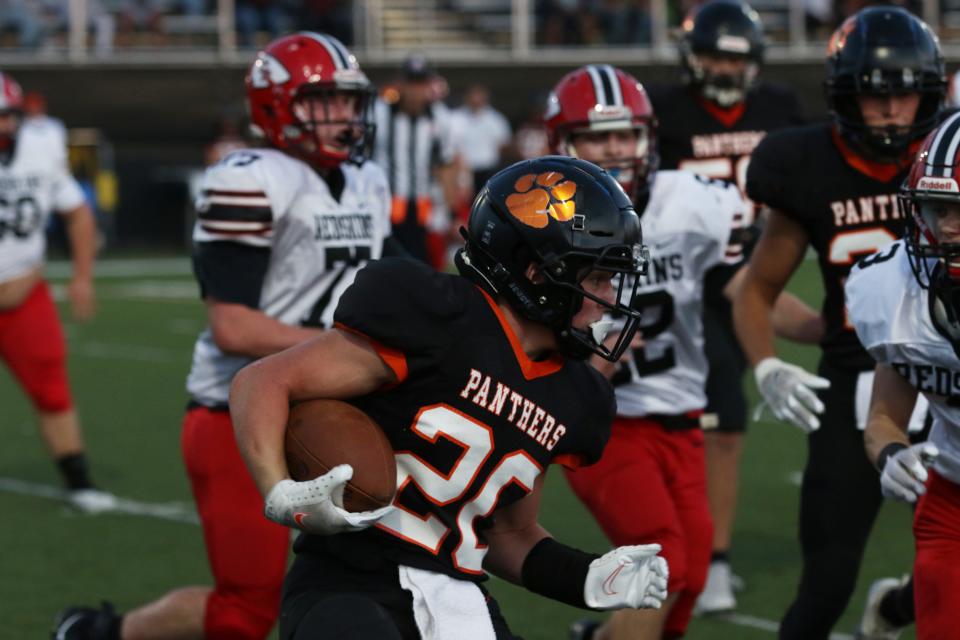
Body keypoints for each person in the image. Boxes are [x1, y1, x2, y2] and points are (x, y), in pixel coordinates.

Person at [229, 155, 670, 639]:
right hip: (349, 583)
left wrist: (586, 577)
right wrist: (280, 492)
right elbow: (264, 382)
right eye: (597, 279)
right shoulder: (436, 316)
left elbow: (509, 534)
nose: (611, 298)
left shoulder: (575, 395)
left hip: (459, 598)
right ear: (539, 274)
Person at [53, 32, 392, 640]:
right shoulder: (248, 178)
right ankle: (101, 634)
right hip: (241, 411)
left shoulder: (369, 180)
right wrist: (347, 353)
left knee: (389, 581)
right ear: (276, 107)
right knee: (246, 608)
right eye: (325, 102)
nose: (344, 116)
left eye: (349, 101)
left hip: (338, 403)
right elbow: (233, 325)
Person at [545, 65, 821, 640]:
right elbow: (516, 339)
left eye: (625, 134)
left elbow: (747, 289)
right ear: (563, 144)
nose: (614, 148)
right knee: (662, 565)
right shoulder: (543, 221)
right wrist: (590, 350)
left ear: (649, 137)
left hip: (683, 417)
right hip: (606, 422)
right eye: (597, 136)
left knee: (691, 577)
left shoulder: (693, 201)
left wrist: (826, 329)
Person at [733, 7, 946, 638]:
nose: (889, 111)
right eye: (871, 95)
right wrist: (767, 363)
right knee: (825, 585)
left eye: (904, 94)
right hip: (860, 377)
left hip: (951, 375)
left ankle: (898, 607)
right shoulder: (804, 163)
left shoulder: (949, 157)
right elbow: (757, 287)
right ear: (841, 95)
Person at [646, 0, 806, 612]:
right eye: (713, 53)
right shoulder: (668, 113)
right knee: (722, 419)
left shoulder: (778, 110)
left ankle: (705, 553)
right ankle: (707, 557)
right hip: (687, 286)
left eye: (734, 56)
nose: (722, 66)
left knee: (723, 419)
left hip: (755, 276)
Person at [845, 110, 960, 640]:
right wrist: (891, 456)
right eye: (940, 210)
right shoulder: (893, 292)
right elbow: (884, 418)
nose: (949, 229)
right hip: (953, 500)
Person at [0, 71, 112, 514]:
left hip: (24, 293)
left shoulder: (41, 148)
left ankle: (78, 479)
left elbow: (78, 213)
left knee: (51, 390)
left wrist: (82, 276)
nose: (2, 127)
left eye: (6, 117)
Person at [373, 54, 463, 269]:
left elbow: (447, 165)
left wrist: (453, 212)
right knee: (385, 268)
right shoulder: (379, 112)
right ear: (400, 83)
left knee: (423, 268)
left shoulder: (440, 117)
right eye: (411, 83)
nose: (415, 91)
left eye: (420, 83)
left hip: (424, 206)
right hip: (384, 204)